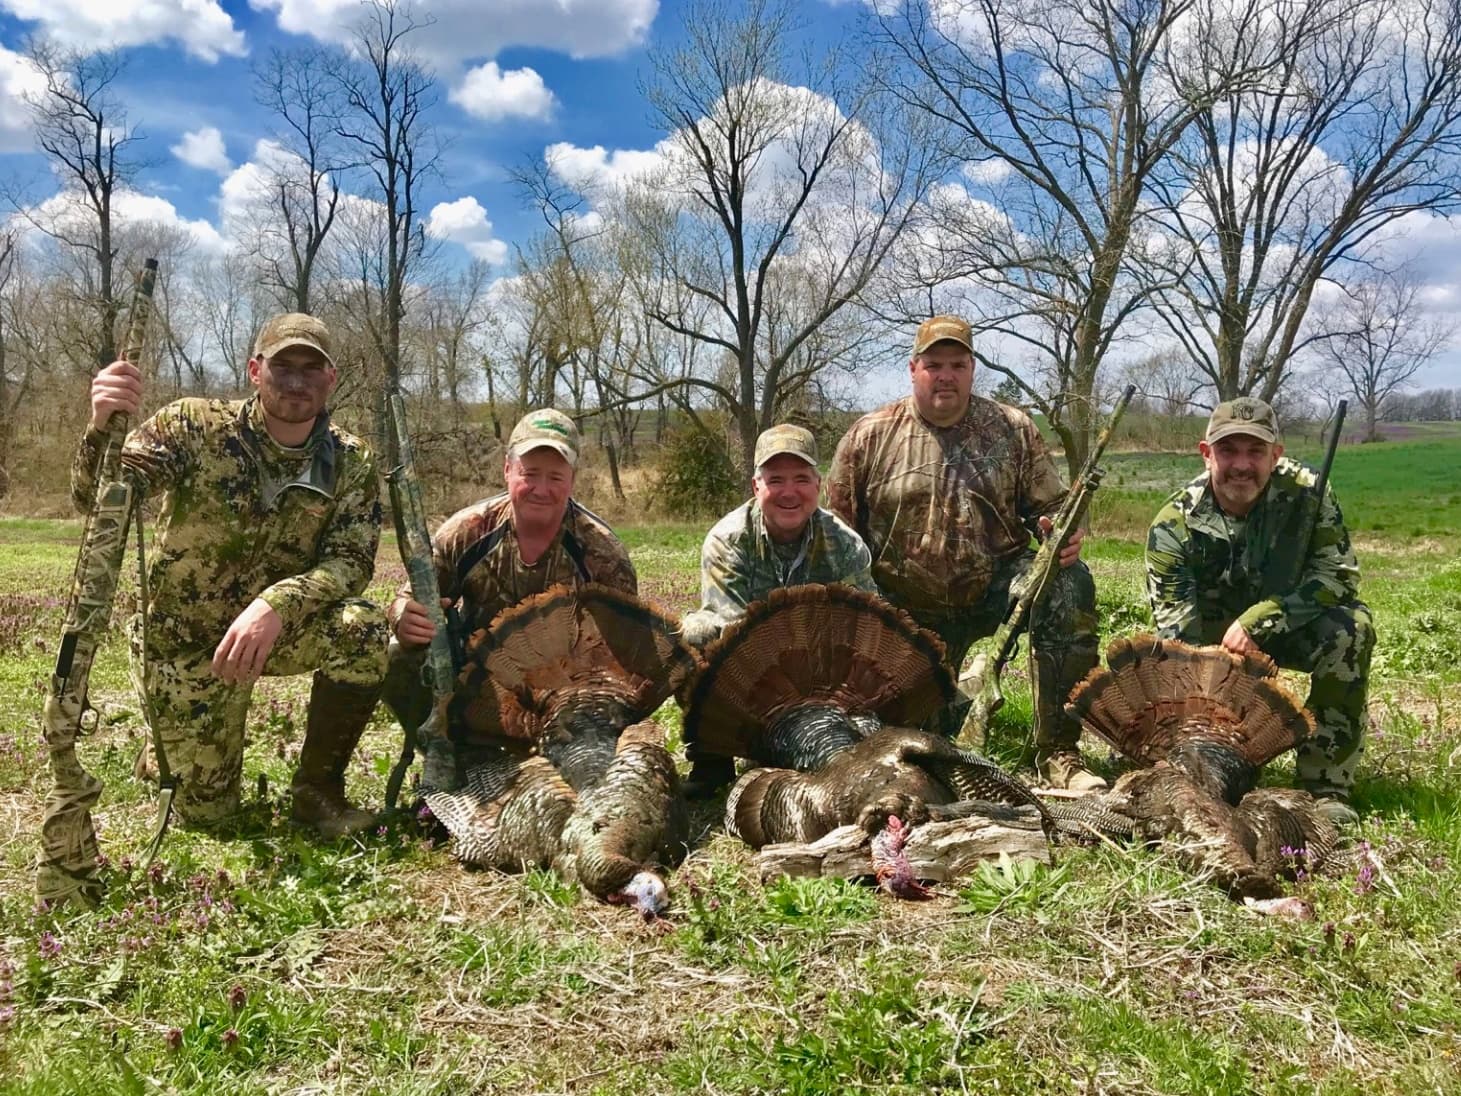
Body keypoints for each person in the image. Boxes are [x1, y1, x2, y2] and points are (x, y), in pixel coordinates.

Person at [77, 312, 388, 836]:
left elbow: (351, 561)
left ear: (331, 379)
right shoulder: (191, 426)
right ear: (253, 369)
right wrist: (99, 426)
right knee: (208, 821)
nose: (296, 381)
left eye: (312, 369)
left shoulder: (351, 459)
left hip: (273, 634)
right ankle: (168, 743)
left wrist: (276, 605)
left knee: (361, 627)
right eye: (282, 365)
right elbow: (99, 503)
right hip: (185, 643)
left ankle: (317, 794)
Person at [826, 315, 1105, 792]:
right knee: (921, 738)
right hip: (905, 606)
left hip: (996, 589)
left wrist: (1064, 530)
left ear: (973, 369)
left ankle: (1058, 751)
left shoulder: (1013, 429)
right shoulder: (868, 436)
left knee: (1067, 584)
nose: (946, 375)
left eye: (957, 364)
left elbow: (1056, 507)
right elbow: (837, 535)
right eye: (934, 364)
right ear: (913, 369)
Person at [1146, 397, 1373, 826]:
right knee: (1187, 684)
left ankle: (1324, 787)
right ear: (1206, 453)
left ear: (1276, 454)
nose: (1242, 465)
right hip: (1211, 640)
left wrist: (1261, 621)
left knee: (1352, 628)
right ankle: (1214, 767)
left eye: (1255, 451)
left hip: (1288, 623)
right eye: (1229, 450)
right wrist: (1221, 677)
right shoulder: (1173, 523)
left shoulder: (1311, 493)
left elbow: (1338, 576)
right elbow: (1179, 638)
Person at [384, 408, 637, 745]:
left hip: (566, 691)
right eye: (529, 473)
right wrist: (403, 616)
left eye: (555, 477)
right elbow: (409, 598)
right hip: (478, 681)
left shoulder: (602, 552)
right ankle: (446, 751)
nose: (540, 488)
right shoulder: (466, 532)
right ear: (507, 470)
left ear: (572, 480)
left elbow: (626, 652)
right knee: (399, 654)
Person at [679, 423, 878, 797]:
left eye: (801, 479)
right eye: (776, 479)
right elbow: (731, 641)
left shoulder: (845, 544)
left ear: (818, 485)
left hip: (823, 675)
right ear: (757, 487)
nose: (789, 492)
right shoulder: (728, 541)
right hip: (751, 677)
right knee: (697, 635)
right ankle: (712, 759)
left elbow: (866, 631)